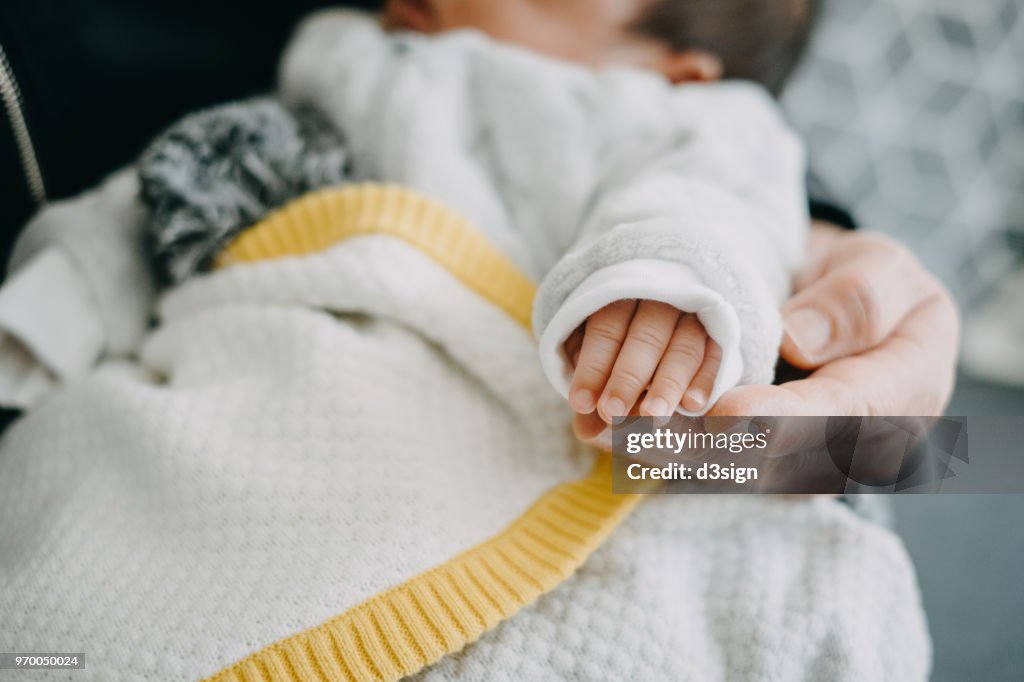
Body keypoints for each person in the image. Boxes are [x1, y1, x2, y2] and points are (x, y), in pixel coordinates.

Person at [0, 0, 958, 422]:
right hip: (273, 373)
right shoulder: (340, 66)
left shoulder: (683, 122)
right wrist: (59, 306)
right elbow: (182, 186)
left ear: (680, 69)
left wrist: (673, 278)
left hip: (536, 410)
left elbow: (713, 194)